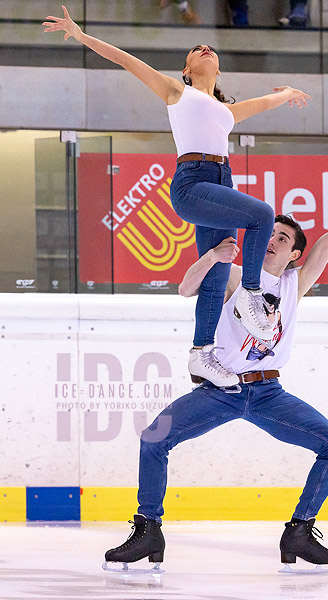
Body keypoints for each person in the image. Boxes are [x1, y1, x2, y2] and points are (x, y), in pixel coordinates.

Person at [102, 159, 328, 573]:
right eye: (270, 234)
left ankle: (299, 530)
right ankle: (148, 528)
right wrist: (213, 256)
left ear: (295, 253)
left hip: (269, 394)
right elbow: (185, 288)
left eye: (282, 237)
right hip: (219, 390)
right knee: (154, 439)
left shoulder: (297, 282)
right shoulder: (235, 272)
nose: (272, 240)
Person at [43, 6, 311, 389]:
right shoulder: (177, 92)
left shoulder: (227, 111)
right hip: (192, 184)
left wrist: (286, 93)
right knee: (262, 215)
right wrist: (82, 35)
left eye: (209, 49)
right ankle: (252, 294)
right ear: (186, 70)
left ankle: (201, 353)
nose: (204, 48)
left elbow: (265, 103)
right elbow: (126, 60)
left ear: (218, 71)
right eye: (195, 49)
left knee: (217, 275)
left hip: (220, 183)